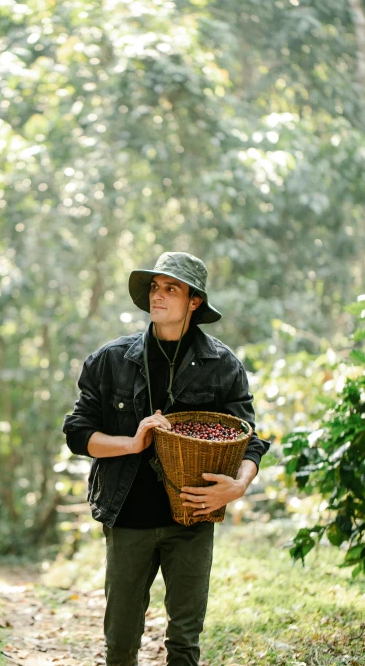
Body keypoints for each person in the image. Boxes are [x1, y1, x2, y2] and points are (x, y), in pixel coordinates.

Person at [63, 251, 270, 666]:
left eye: (171, 288)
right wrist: (131, 443)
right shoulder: (110, 361)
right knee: (121, 643)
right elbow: (78, 433)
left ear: (194, 301)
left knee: (184, 643)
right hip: (128, 519)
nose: (158, 296)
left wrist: (237, 486)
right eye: (155, 287)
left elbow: (250, 440)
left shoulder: (222, 365)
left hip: (192, 517)